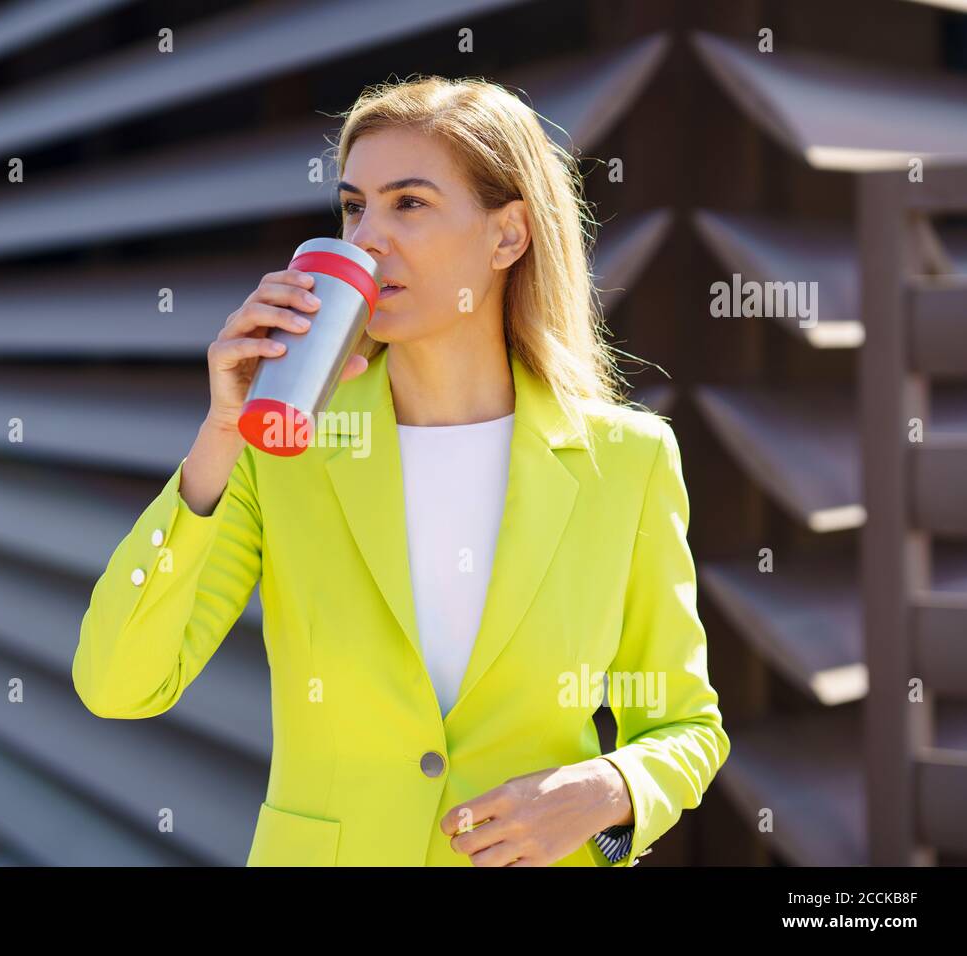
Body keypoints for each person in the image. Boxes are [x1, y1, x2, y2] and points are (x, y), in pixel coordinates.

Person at [73, 75, 729, 866]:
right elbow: (118, 682)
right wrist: (221, 433)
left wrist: (606, 788)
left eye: (408, 203)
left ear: (508, 236)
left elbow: (686, 726)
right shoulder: (286, 450)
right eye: (355, 206)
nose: (368, 238)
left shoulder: (627, 460)